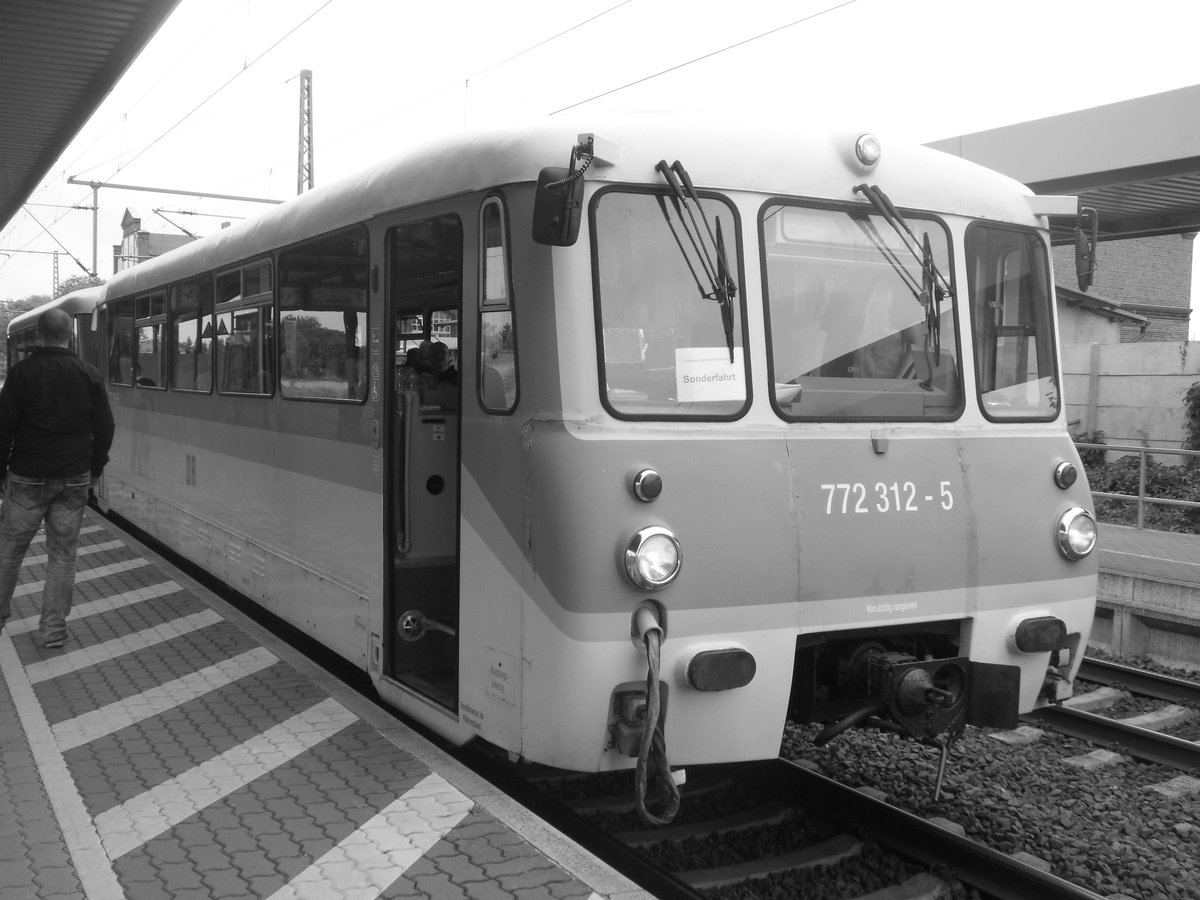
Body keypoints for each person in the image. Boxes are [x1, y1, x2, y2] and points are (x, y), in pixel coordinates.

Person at [0, 308, 115, 648]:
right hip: (73, 477)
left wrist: (1, 471)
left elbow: (3, 427)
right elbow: (105, 427)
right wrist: (95, 467)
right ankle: (53, 631)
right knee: (63, 555)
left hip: (27, 476)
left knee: (10, 551)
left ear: (39, 335)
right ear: (70, 335)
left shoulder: (22, 373)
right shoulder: (88, 373)